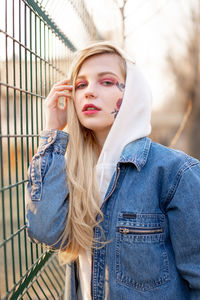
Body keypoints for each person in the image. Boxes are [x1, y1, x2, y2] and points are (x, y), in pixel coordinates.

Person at [25, 41, 200, 300]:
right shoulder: (72, 171)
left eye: (106, 82)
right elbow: (44, 231)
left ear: (133, 94)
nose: (89, 92)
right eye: (80, 85)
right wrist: (52, 133)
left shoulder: (175, 173)